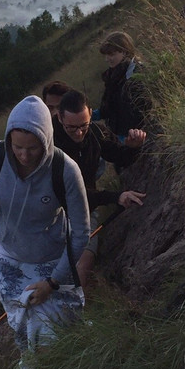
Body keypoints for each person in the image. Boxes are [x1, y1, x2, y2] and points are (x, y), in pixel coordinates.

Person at [0, 95, 90, 356]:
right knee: (25, 329)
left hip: (52, 260)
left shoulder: (65, 171)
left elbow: (81, 233)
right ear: (8, 140)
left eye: (33, 148)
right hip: (9, 259)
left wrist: (52, 283)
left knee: (61, 335)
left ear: (47, 142)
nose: (24, 155)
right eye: (17, 147)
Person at [54, 89, 147, 287]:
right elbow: (70, 193)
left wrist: (133, 146)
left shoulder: (95, 133)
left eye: (83, 126)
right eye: (71, 128)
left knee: (84, 261)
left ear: (90, 113)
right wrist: (116, 197)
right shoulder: (49, 146)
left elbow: (119, 155)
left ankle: (76, 313)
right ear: (60, 118)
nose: (79, 133)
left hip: (85, 211)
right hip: (53, 214)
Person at [96, 31, 149, 140]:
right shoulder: (113, 75)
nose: (107, 59)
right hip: (117, 135)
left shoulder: (137, 74)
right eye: (106, 55)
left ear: (124, 52)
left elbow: (139, 111)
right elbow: (108, 108)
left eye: (111, 54)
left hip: (134, 137)